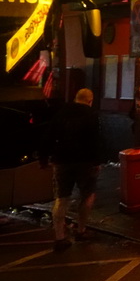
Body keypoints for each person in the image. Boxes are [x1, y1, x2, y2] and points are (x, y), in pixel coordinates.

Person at [38, 88, 102, 251]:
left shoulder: (62, 112)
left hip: (62, 160)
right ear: (90, 100)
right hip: (85, 161)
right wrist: (97, 161)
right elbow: (95, 139)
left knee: (61, 198)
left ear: (75, 98)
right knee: (87, 194)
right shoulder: (91, 114)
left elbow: (49, 135)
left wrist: (44, 158)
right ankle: (81, 230)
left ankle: (60, 237)